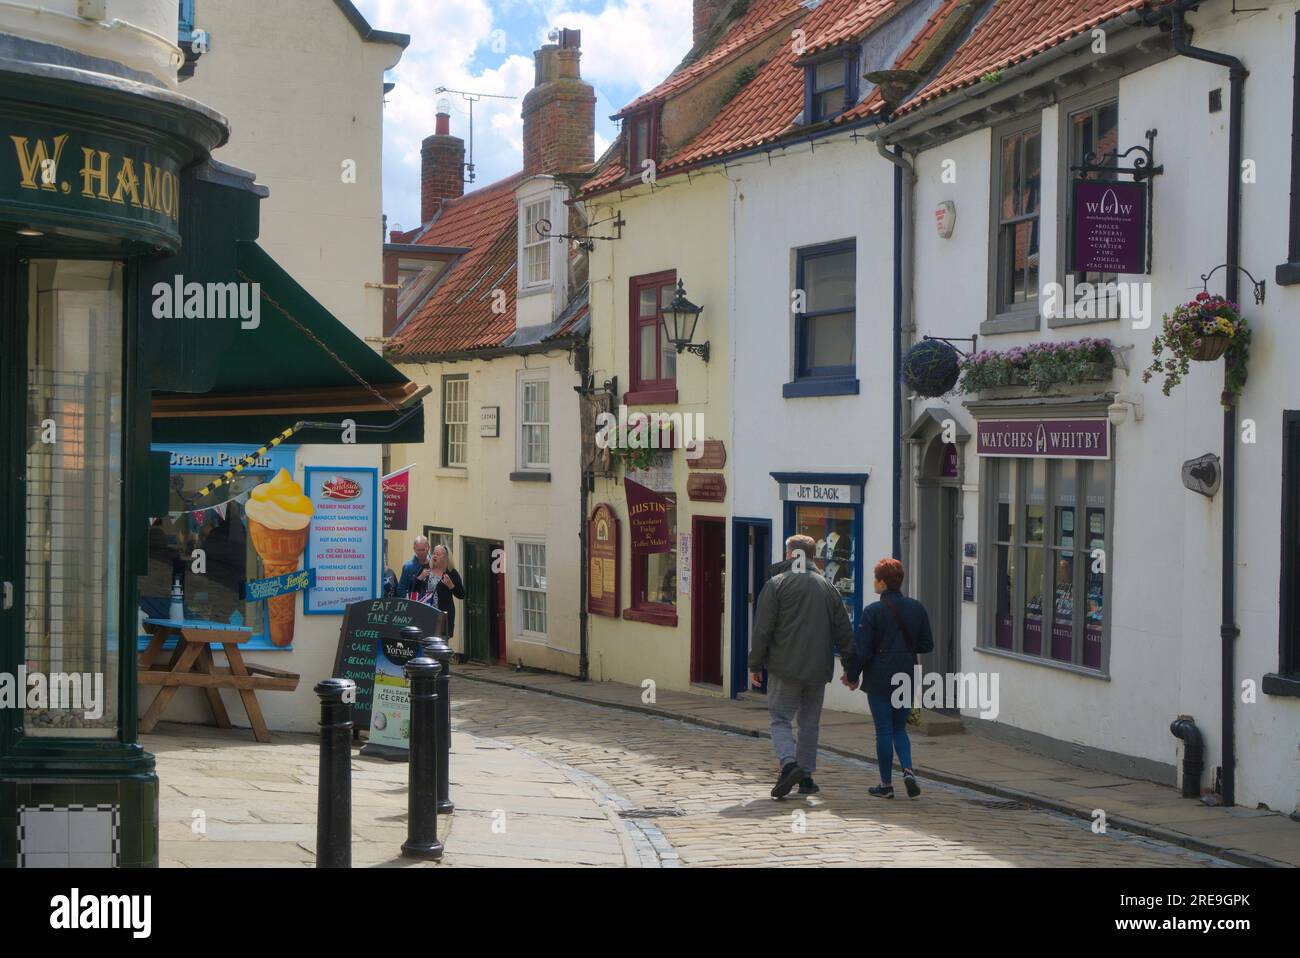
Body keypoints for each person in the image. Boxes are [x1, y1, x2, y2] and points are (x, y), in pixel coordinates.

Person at [749, 534, 854, 799]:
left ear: (791, 555)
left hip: (785, 667)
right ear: (813, 556)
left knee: (780, 718)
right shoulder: (827, 587)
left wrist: (755, 663)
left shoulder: (777, 584)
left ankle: (789, 764)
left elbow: (763, 629)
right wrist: (852, 670)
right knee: (809, 722)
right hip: (818, 669)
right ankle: (806, 776)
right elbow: (844, 631)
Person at [842, 557, 934, 799]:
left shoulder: (873, 612)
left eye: (875, 578)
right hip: (906, 672)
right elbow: (927, 644)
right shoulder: (917, 608)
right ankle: (908, 770)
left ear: (882, 583)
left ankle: (886, 784)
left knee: (883, 729)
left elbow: (863, 650)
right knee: (899, 729)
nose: (873, 582)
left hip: (880, 675)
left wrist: (852, 676)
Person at [428, 544, 466, 638]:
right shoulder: (427, 570)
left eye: (438, 554)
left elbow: (461, 595)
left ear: (445, 558)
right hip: (427, 612)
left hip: (443, 615)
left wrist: (451, 585)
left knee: (441, 643)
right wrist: (420, 578)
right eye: (434, 553)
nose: (435, 556)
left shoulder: (452, 573)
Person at [398, 535, 436, 604]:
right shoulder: (408, 567)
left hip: (432, 608)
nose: (421, 553)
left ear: (428, 548)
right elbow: (400, 590)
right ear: (414, 549)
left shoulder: (435, 565)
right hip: (414, 607)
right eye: (418, 550)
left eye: (423, 549)